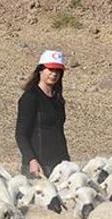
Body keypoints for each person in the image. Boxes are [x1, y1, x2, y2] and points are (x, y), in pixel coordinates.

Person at [15, 50, 70, 179]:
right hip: (38, 167)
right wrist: (31, 160)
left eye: (57, 71)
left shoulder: (58, 100)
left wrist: (66, 161)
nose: (54, 74)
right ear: (40, 70)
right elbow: (21, 134)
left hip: (59, 166)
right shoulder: (30, 97)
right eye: (50, 69)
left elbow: (59, 132)